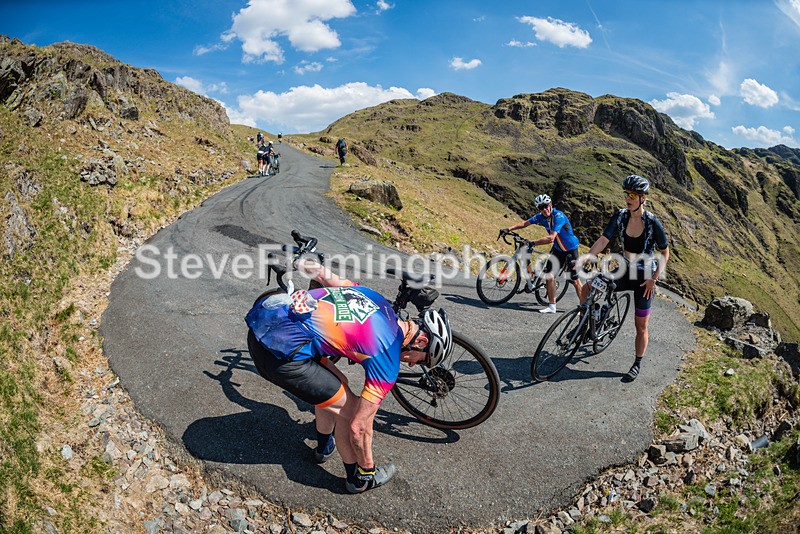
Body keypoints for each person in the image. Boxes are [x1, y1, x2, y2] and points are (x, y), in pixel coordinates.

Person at [245, 260, 453, 493]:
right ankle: (360, 479)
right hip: (279, 355)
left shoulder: (373, 297)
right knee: (352, 412)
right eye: (422, 359)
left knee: (338, 387)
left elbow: (322, 274)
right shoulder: (387, 355)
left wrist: (298, 262)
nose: (414, 364)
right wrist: (368, 464)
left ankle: (323, 448)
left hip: (265, 325)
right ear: (422, 341)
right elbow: (359, 428)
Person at [579, 174, 669, 382]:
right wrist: (589, 257)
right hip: (624, 269)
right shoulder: (620, 216)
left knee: (641, 325)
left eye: (633, 195)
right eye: (626, 194)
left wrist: (654, 279)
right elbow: (604, 239)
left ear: (643, 198)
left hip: (645, 278)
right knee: (588, 287)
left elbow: (665, 252)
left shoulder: (653, 222)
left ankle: (637, 363)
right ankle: (587, 321)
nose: (628, 198)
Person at [501, 194, 584, 313]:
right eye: (541, 207)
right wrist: (508, 229)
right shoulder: (541, 217)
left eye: (545, 206)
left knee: (575, 281)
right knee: (549, 276)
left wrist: (532, 243)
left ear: (550, 205)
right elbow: (525, 223)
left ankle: (585, 307)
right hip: (558, 250)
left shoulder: (559, 216)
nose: (544, 210)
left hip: (571, 250)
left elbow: (551, 238)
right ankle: (552, 306)